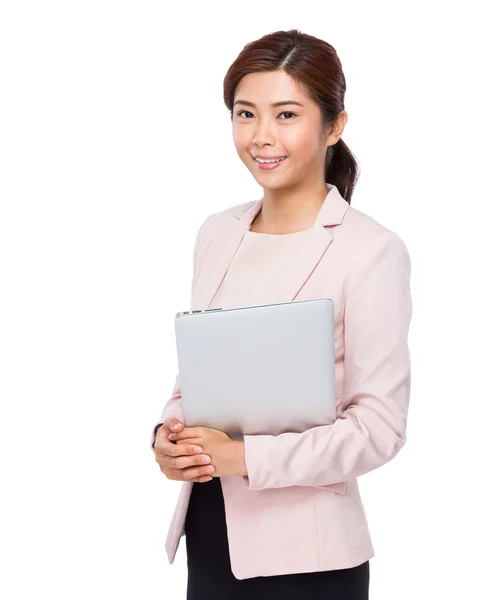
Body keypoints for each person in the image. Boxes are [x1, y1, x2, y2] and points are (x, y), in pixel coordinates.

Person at [151, 28, 412, 599]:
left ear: (335, 125)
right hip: (212, 531)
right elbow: (197, 375)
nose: (261, 137)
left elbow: (379, 428)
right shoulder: (217, 233)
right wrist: (167, 436)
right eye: (245, 114)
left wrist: (242, 457)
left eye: (286, 114)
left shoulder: (369, 250)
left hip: (309, 557)